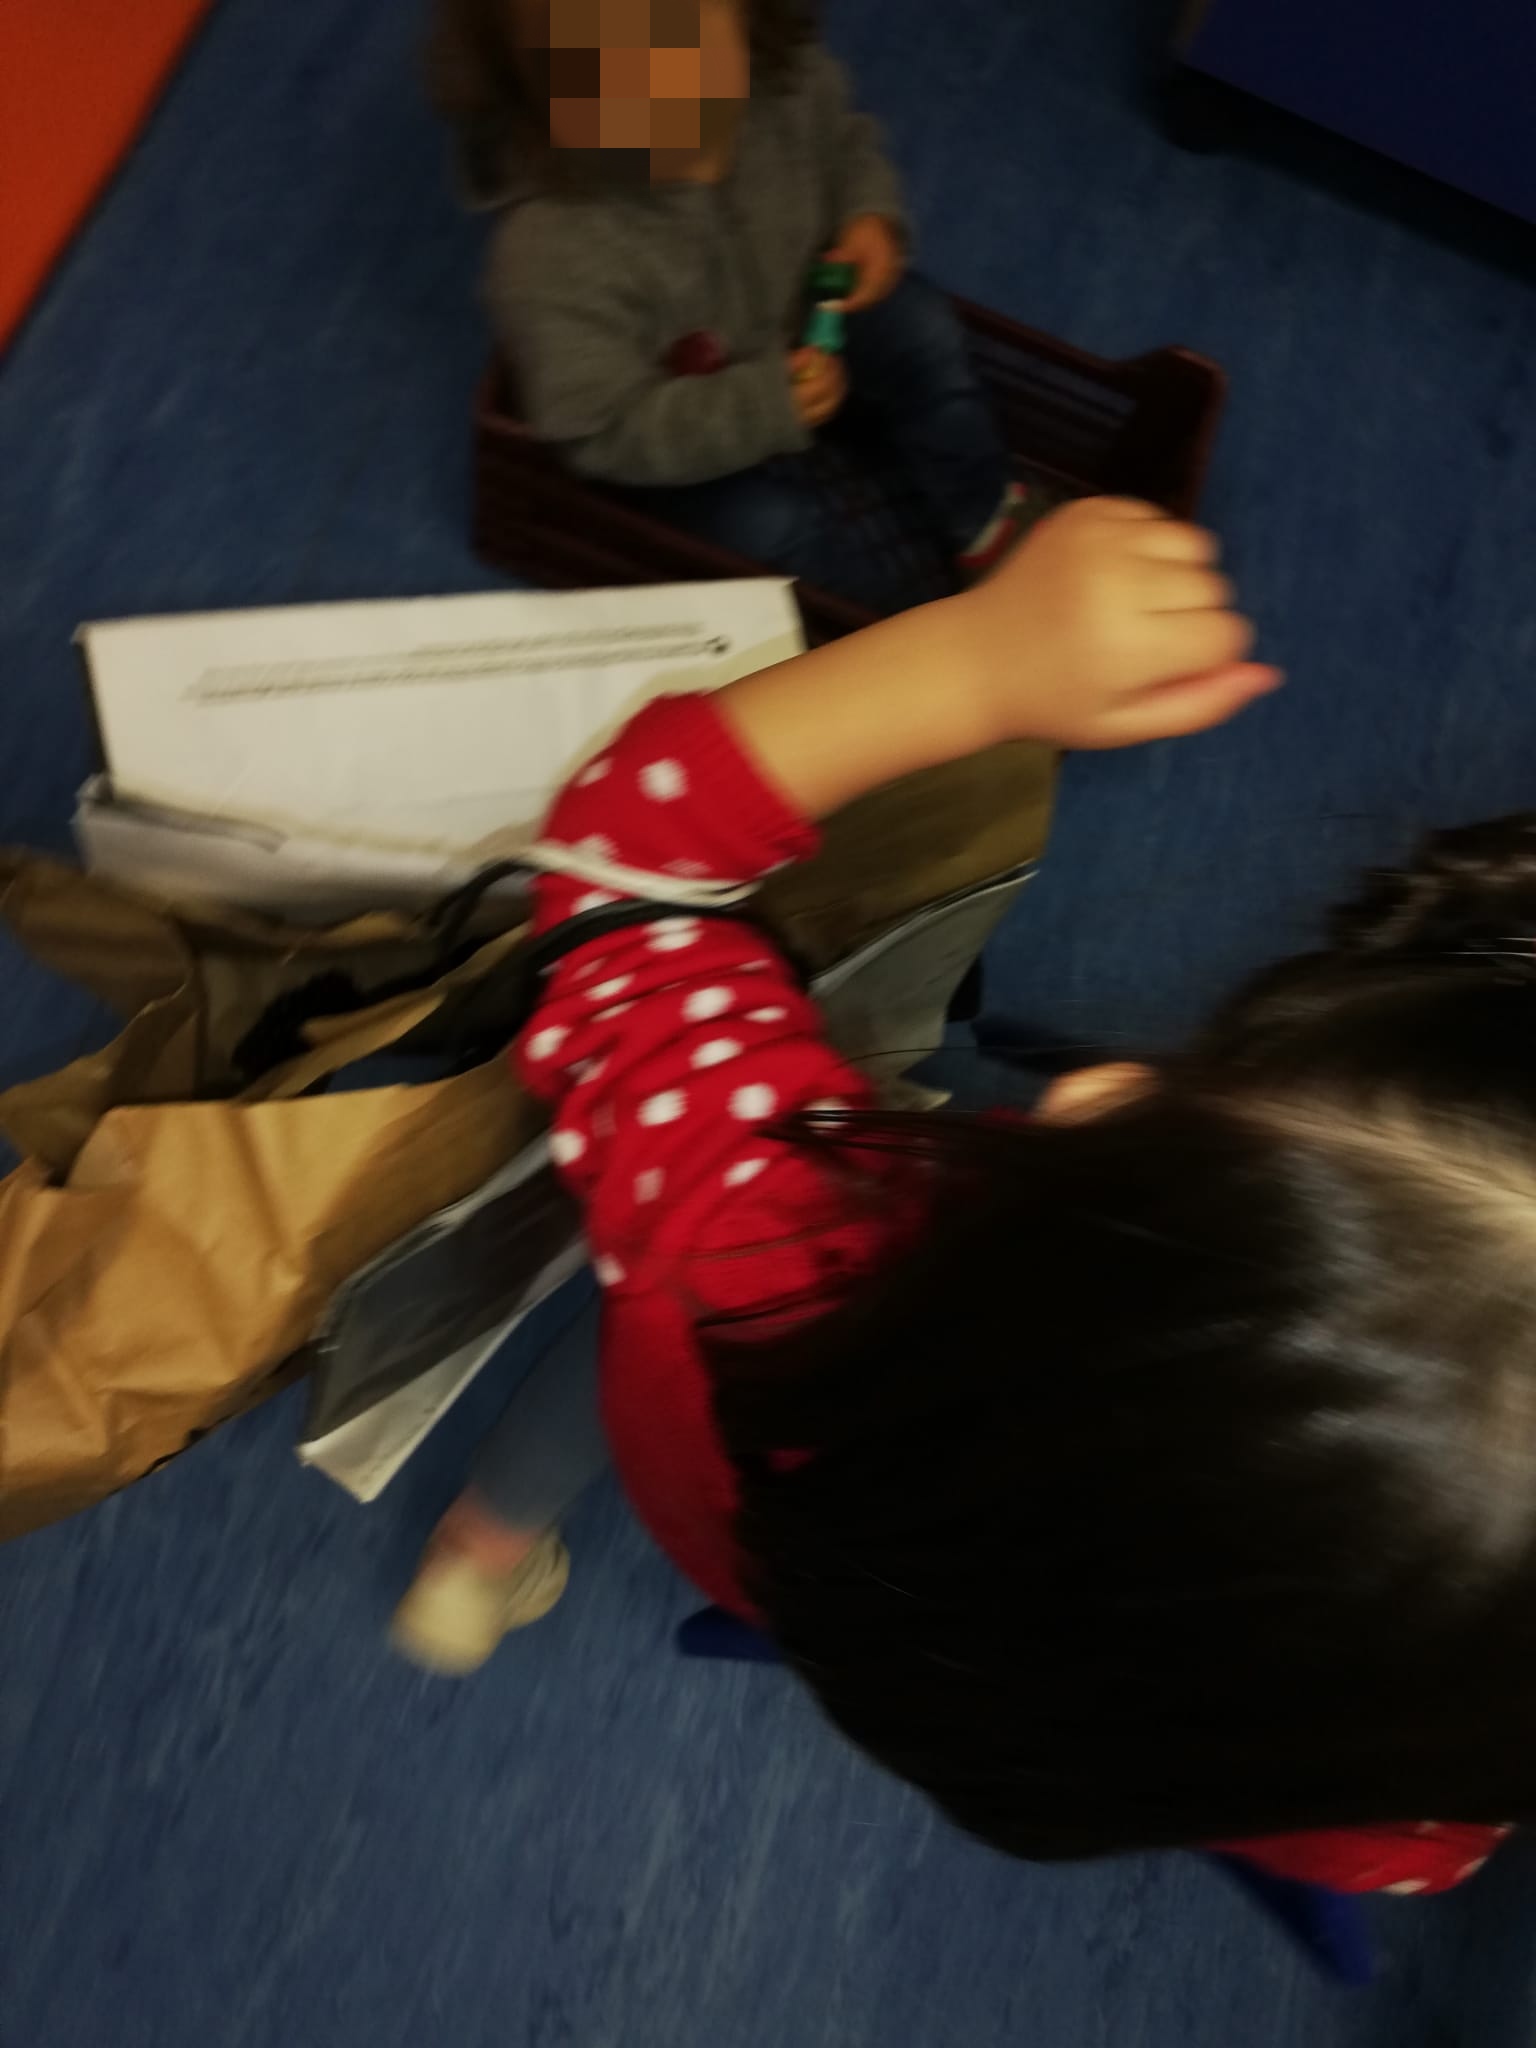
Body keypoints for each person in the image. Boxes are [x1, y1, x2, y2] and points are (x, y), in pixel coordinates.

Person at [394, 494, 1523, 1896]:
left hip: (715, 1422)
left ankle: (479, 1550)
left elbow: (629, 855)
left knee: (644, 1294)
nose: (1097, 1091)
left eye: (1193, 1116)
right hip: (903, 1639)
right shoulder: (1420, 1809)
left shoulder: (765, 1234)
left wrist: (974, 664)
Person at [427, 0, 1033, 609]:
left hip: (805, 321)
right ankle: (890, 620)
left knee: (923, 328)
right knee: (763, 527)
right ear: (531, 96)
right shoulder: (551, 256)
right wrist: (762, 404)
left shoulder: (787, 80)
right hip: (680, 436)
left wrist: (867, 215)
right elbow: (604, 432)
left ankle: (982, 521)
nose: (659, 104)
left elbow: (847, 145)